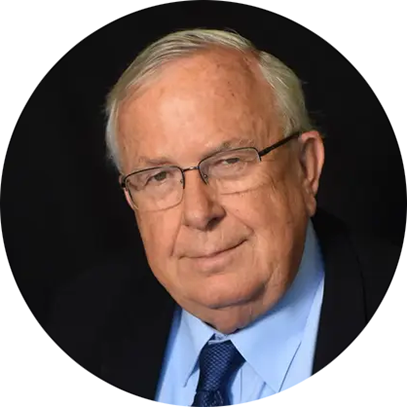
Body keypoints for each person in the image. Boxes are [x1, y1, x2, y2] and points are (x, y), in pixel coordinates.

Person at [47, 29, 398, 405]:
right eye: (158, 177)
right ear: (131, 198)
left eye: (230, 162)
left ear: (305, 168)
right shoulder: (77, 326)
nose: (199, 214)